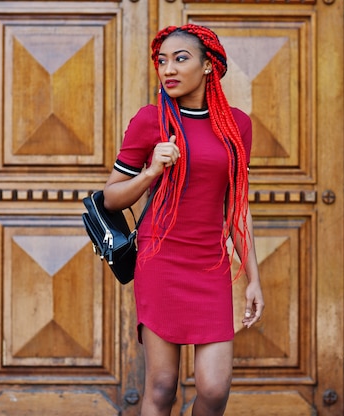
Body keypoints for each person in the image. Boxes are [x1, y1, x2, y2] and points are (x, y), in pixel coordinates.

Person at [103, 24, 264, 416]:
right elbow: (110, 197)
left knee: (213, 389)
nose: (168, 69)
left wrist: (253, 278)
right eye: (162, 61)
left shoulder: (236, 126)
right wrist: (150, 172)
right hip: (161, 261)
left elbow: (237, 207)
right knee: (161, 387)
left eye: (180, 59)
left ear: (209, 65)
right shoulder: (149, 120)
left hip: (210, 265)